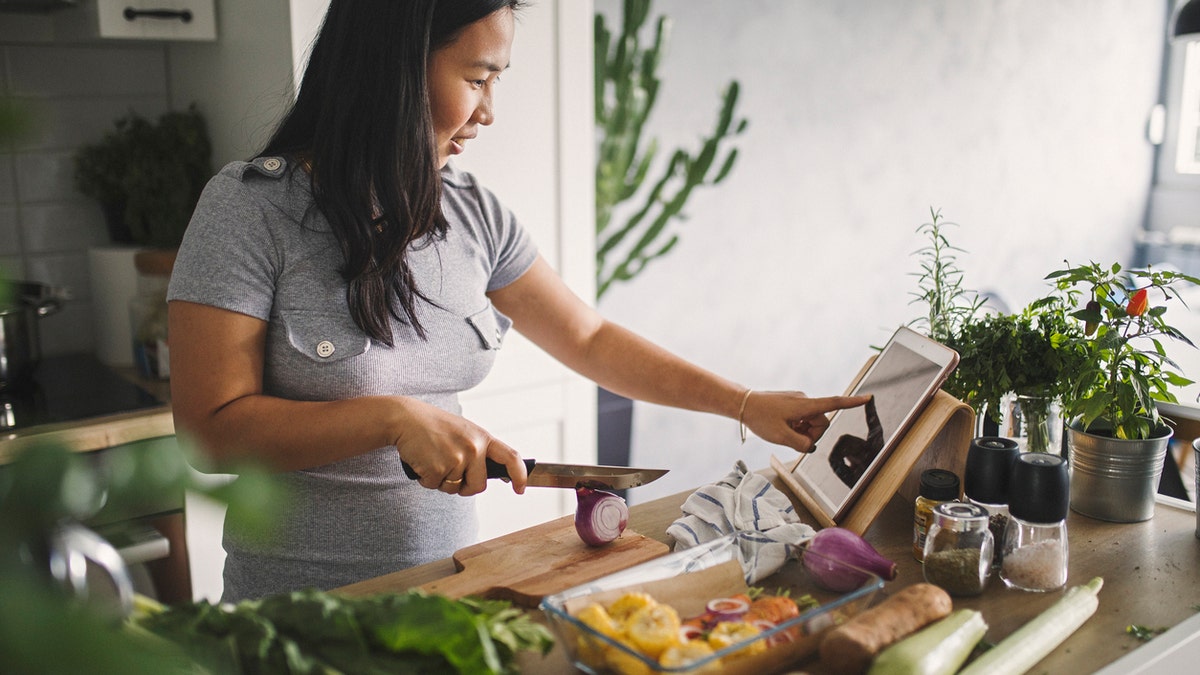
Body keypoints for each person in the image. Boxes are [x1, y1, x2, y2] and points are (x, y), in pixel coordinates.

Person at [167, 0, 870, 602]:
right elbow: (210, 429)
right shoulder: (249, 209)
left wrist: (744, 404)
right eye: (477, 78)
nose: (489, 112)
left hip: (447, 593)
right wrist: (389, 417)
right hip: (298, 618)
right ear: (394, 70)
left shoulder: (474, 215)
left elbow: (589, 339)